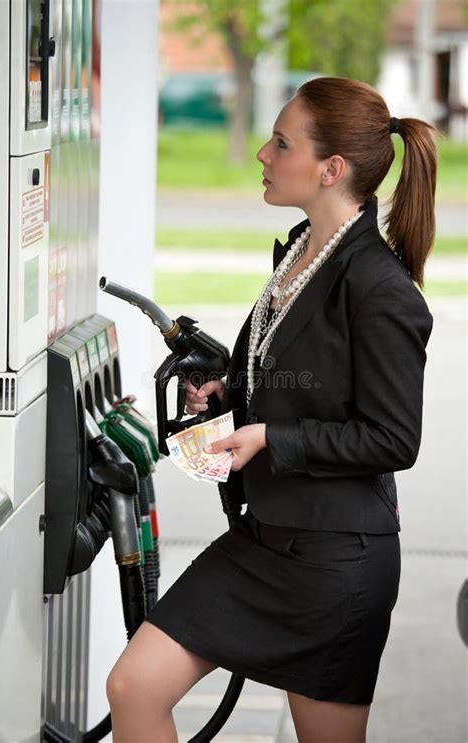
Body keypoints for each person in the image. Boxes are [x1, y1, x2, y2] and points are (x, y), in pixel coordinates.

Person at [106, 77, 436, 742]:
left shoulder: (379, 288)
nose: (262, 152)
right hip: (264, 542)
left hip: (335, 564)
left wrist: (272, 438)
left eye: (281, 143)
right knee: (134, 686)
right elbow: (297, 375)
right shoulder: (299, 252)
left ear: (330, 169)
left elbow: (393, 438)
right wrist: (224, 398)